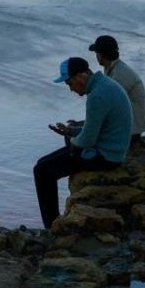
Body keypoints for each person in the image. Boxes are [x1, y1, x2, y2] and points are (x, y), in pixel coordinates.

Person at [34, 57, 133, 229]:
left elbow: (88, 140)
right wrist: (71, 132)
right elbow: (99, 128)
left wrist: (73, 139)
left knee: (42, 170)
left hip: (107, 156)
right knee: (52, 156)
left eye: (69, 83)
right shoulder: (105, 84)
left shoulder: (96, 96)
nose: (71, 89)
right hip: (113, 146)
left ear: (80, 77)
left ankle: (50, 226)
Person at [87, 35, 145, 141]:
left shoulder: (120, 74)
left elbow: (106, 105)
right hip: (127, 126)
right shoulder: (113, 69)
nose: (96, 56)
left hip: (130, 130)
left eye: (97, 53)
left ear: (101, 55)